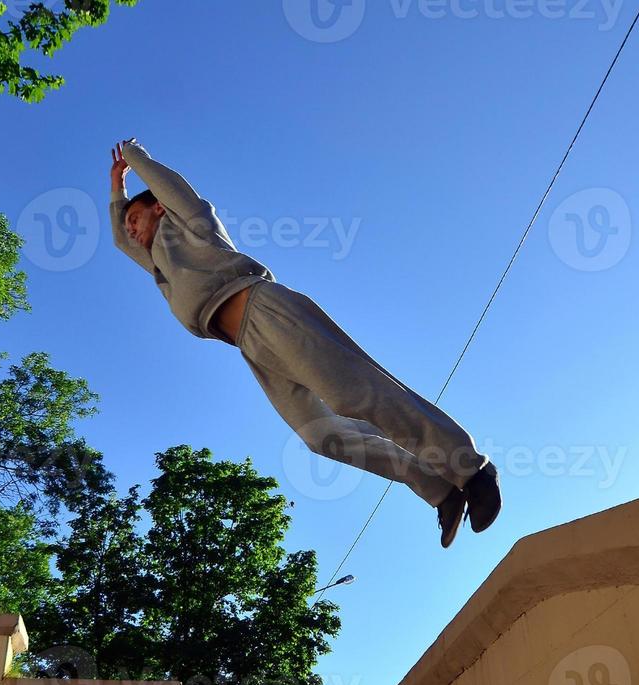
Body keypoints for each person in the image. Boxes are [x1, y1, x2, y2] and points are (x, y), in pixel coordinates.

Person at [109, 138, 501, 548]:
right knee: (321, 436)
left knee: (358, 393)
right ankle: (440, 491)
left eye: (136, 216)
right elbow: (121, 239)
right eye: (129, 222)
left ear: (158, 206)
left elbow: (169, 188)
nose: (131, 228)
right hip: (251, 347)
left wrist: (134, 161)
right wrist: (115, 189)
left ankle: (471, 469)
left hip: (268, 310)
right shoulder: (160, 268)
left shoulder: (189, 224)